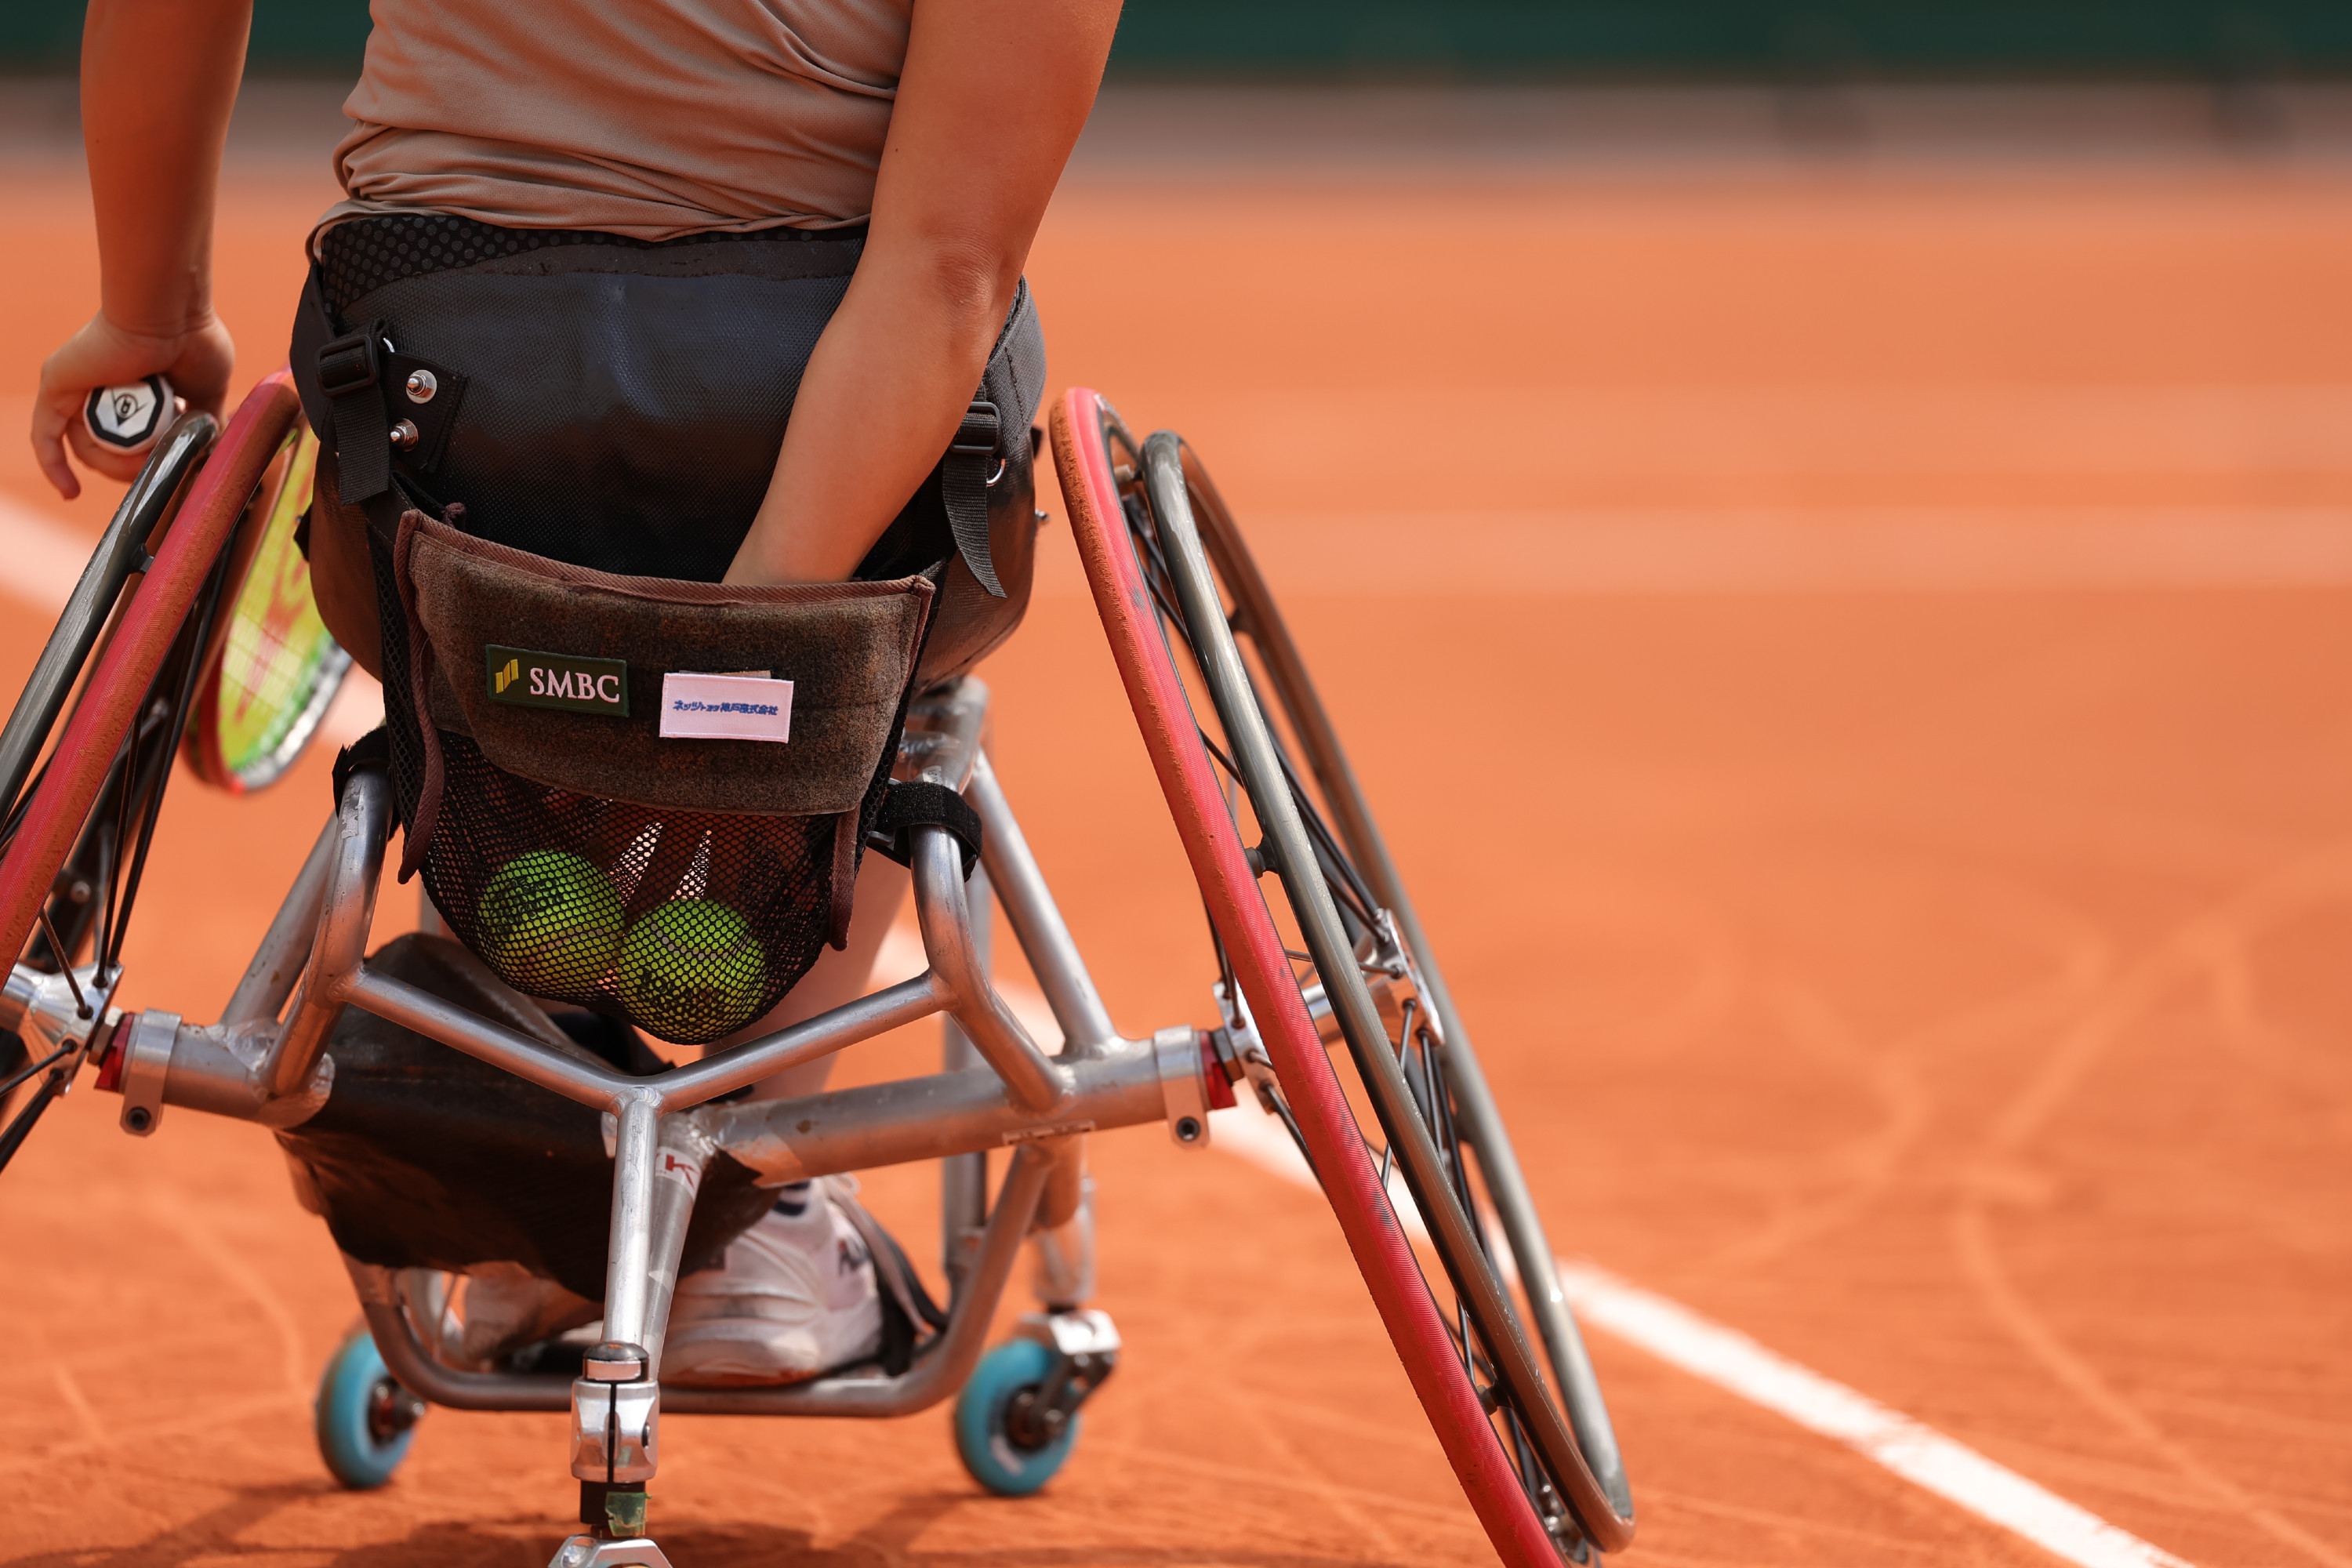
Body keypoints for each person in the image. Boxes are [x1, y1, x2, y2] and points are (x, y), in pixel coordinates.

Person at [31, 0, 1122, 1386]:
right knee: (926, 601)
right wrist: (739, 677)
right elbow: (949, 273)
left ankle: (517, 1205)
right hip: (814, 446)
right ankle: (750, 1223)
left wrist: (149, 309)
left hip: (437, 429)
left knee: (472, 620)